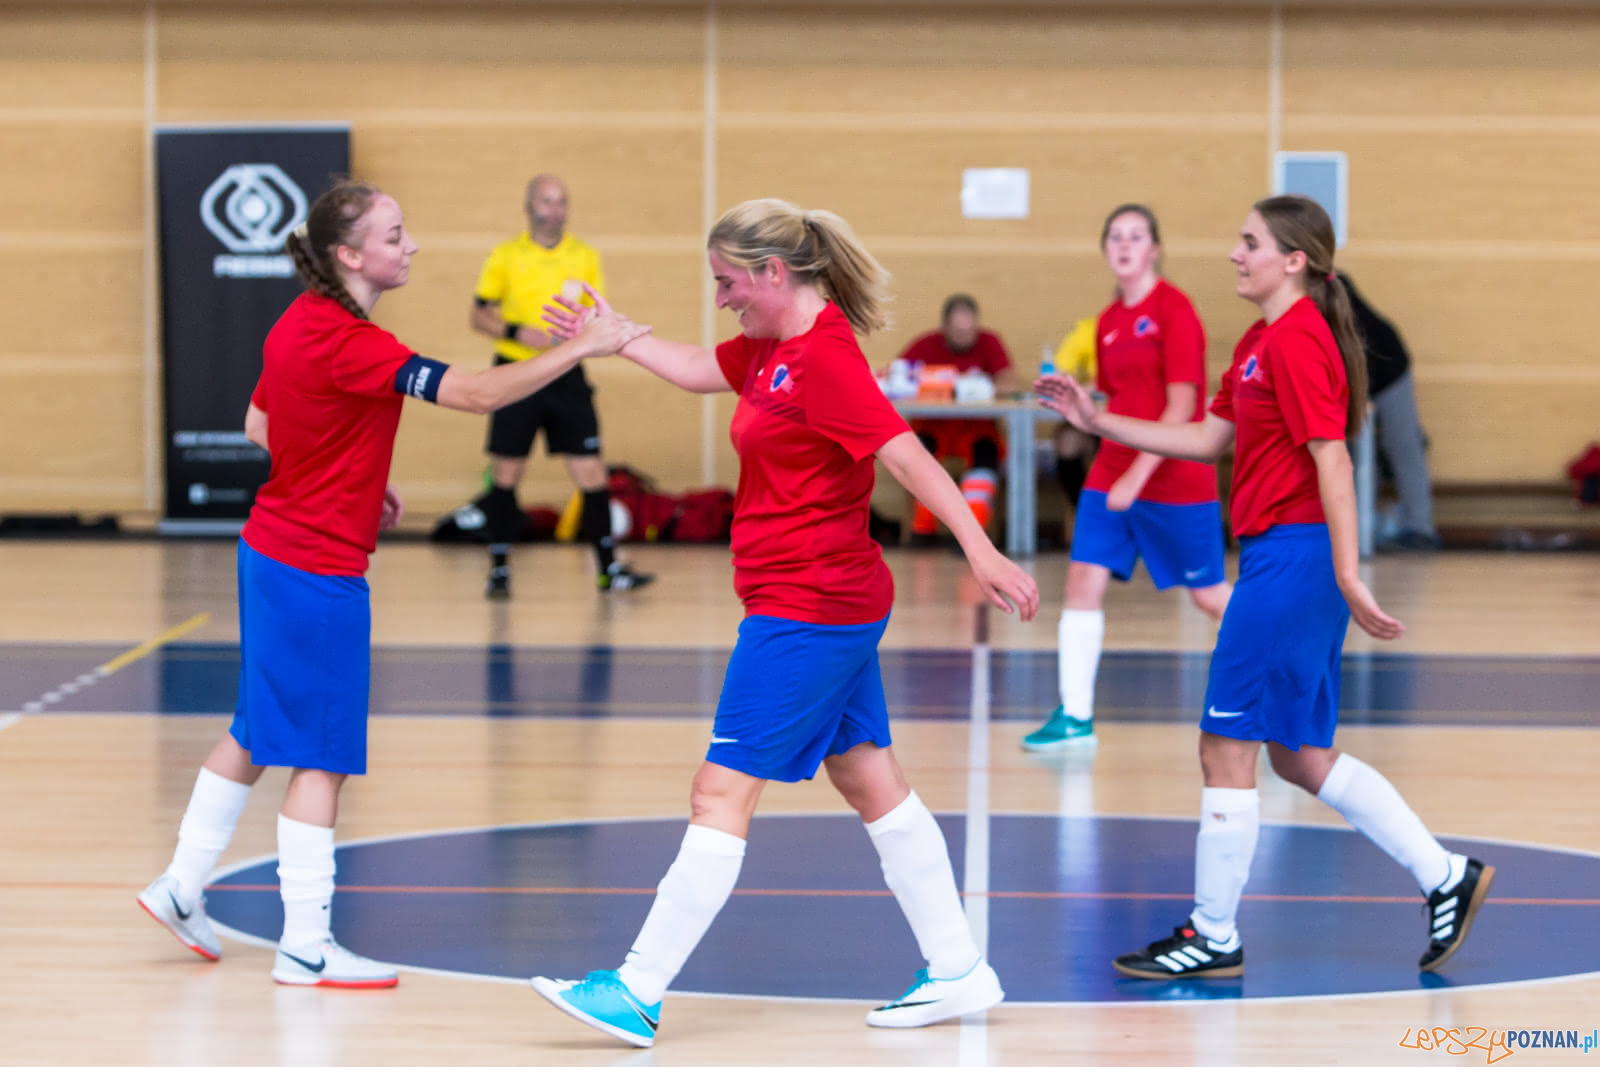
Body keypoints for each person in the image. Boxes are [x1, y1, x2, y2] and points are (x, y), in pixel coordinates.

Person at [529, 199, 1039, 1048]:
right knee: (870, 778)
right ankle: (957, 966)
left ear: (774, 273)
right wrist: (615, 334)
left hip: (810, 606)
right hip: (813, 598)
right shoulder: (772, 346)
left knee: (719, 789)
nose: (722, 297)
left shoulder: (824, 359)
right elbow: (697, 366)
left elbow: (907, 455)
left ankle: (637, 986)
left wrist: (981, 550)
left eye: (729, 282)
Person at [136, 179, 645, 988]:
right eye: (396, 234)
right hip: (317, 569)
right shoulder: (353, 340)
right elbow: (477, 391)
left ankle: (178, 885)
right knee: (321, 755)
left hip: (268, 549)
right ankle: (306, 945)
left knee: (255, 729)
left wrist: (356, 479)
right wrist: (584, 347)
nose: (411, 246)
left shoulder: (299, 321)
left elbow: (259, 426)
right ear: (350, 254)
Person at [1037, 194, 1494, 980]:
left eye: (1248, 242)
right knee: (1299, 755)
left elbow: (1336, 460)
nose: (1233, 253)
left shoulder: (1298, 341)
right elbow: (1209, 438)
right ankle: (1444, 875)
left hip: (1295, 559)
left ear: (1295, 260)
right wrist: (1099, 418)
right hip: (1281, 556)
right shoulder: (1260, 338)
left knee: (1225, 745)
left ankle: (1214, 932)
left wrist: (1349, 574)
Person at [1023, 205, 1231, 752]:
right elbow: (1116, 403)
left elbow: (1183, 404)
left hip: (1174, 477)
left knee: (1209, 596)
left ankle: (1281, 684)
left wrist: (1137, 479)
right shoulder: (1108, 322)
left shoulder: (1175, 310)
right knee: (1081, 584)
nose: (1124, 245)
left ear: (1155, 248)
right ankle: (1075, 716)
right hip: (1111, 470)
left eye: (1136, 236)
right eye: (1115, 236)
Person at [467, 174, 653, 597]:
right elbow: (478, 315)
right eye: (547, 201)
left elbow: (596, 313)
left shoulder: (584, 256)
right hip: (516, 372)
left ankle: (609, 569)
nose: (555, 209)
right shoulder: (506, 255)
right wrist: (518, 332)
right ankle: (498, 567)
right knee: (506, 471)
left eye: (562, 202)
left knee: (591, 470)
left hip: (566, 375)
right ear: (529, 205)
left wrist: (577, 334)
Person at [896, 294, 1021, 544]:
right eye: (958, 331)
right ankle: (923, 531)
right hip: (933, 427)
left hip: (977, 429)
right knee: (915, 456)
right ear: (945, 328)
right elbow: (897, 376)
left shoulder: (989, 342)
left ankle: (972, 534)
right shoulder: (926, 345)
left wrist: (980, 387)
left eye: (969, 330)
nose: (965, 336)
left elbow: (1011, 383)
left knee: (985, 459)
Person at [1338, 271, 1440, 551]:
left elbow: (1356, 354)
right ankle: (1356, 527)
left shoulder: (1331, 289)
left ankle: (1420, 527)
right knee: (1354, 451)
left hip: (1390, 367)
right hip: (1362, 367)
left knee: (1404, 444)